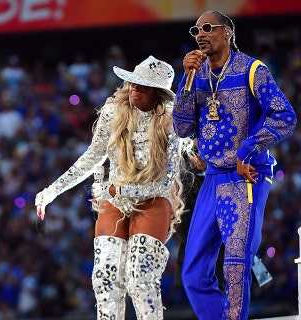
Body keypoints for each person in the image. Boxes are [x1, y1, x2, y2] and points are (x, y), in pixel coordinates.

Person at [35, 56, 185, 320]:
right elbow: (93, 156)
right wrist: (51, 191)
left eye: (144, 86)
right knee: (105, 278)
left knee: (141, 278)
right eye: (133, 83)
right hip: (114, 196)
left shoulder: (172, 120)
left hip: (152, 196)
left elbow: (165, 180)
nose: (135, 89)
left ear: (159, 94)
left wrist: (122, 192)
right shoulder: (114, 111)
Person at [174, 10, 297, 320]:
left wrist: (247, 150)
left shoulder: (252, 69)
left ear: (226, 32)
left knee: (235, 263)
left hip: (246, 175)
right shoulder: (197, 76)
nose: (199, 35)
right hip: (213, 176)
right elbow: (181, 128)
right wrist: (185, 83)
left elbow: (285, 116)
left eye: (207, 28)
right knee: (193, 273)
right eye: (196, 30)